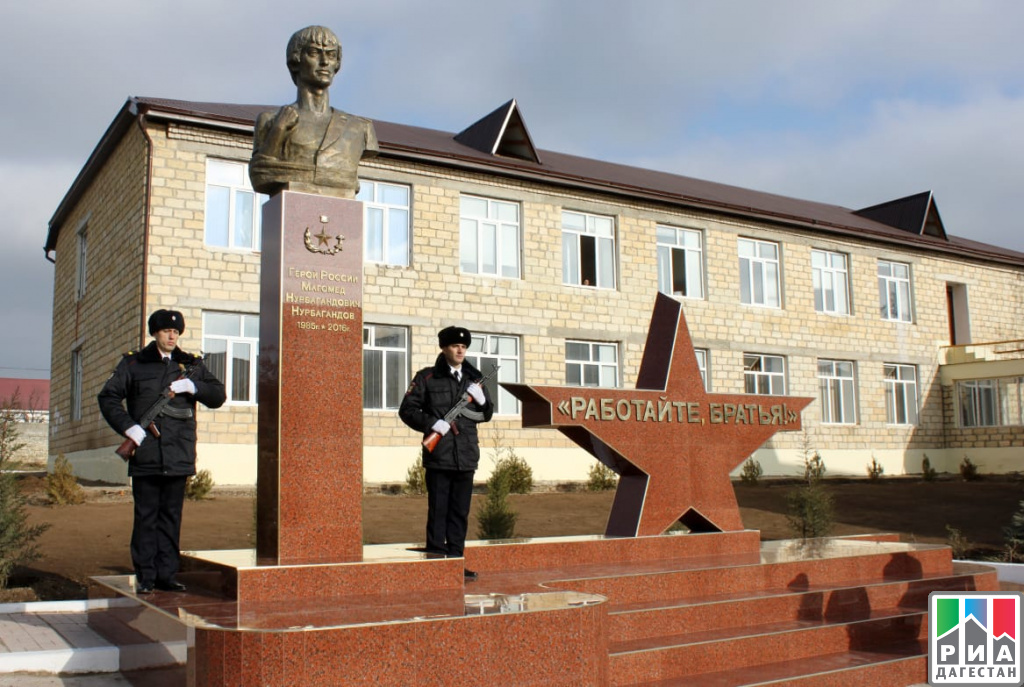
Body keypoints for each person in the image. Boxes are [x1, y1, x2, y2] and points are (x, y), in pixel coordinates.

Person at [97, 309, 225, 594]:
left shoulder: (189, 365)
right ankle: (145, 576)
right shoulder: (133, 364)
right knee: (146, 518)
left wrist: (194, 386)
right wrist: (129, 428)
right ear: (155, 333)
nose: (172, 336)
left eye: (176, 332)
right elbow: (108, 397)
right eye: (167, 331)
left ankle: (167, 575)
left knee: (171, 518)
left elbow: (218, 396)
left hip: (178, 455)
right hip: (147, 455)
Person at [399, 326, 493, 580]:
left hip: (466, 456)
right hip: (440, 455)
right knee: (438, 511)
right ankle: (436, 566)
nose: (460, 350)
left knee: (459, 514)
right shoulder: (427, 378)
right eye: (454, 346)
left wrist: (482, 401)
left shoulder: (474, 379)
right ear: (444, 348)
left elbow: (486, 415)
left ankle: (455, 564)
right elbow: (407, 410)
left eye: (464, 346)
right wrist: (432, 423)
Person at [249, 25, 379, 198]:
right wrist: (278, 131)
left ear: (337, 64)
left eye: (331, 55)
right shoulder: (272, 120)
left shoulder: (359, 128)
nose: (324, 61)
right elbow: (260, 176)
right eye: (314, 53)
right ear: (295, 61)